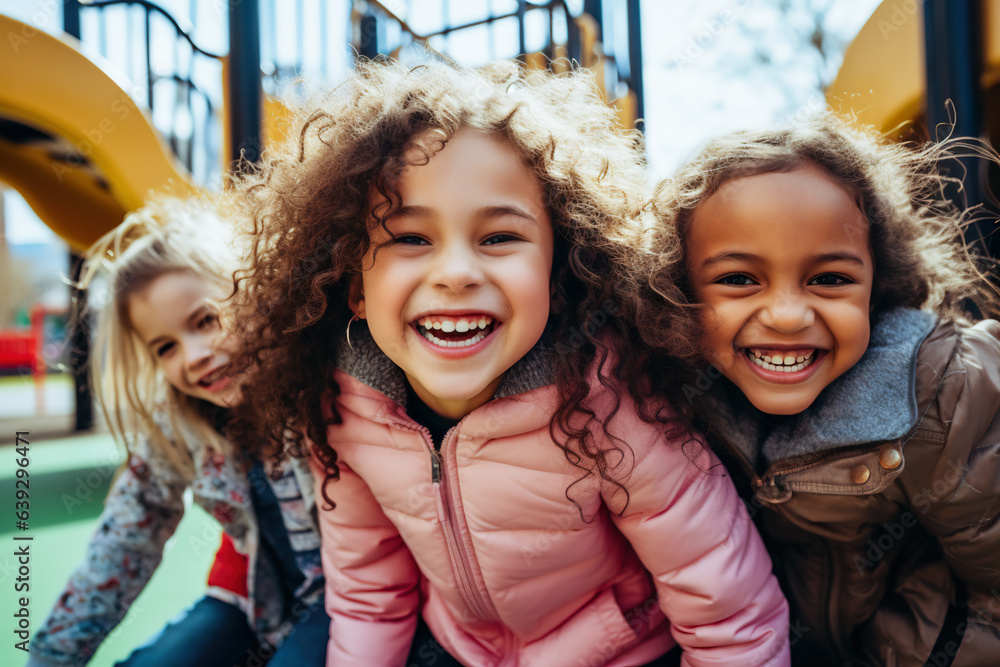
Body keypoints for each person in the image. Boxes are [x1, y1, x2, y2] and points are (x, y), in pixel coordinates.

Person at [225, 58, 790, 667]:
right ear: (353, 286)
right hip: (461, 649)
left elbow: (728, 613)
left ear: (559, 268)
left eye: (499, 238)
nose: (458, 273)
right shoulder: (344, 408)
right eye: (411, 238)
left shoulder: (614, 402)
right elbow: (369, 597)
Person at [644, 113, 1000, 666]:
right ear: (678, 292)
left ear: (876, 288)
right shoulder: (668, 409)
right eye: (739, 279)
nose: (787, 315)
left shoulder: (943, 398)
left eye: (829, 279)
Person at [28, 198, 328, 667]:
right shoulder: (183, 426)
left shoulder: (328, 390)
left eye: (206, 321)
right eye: (166, 347)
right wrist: (51, 657)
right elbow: (124, 540)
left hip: (357, 601)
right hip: (254, 601)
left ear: (255, 292)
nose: (193, 356)